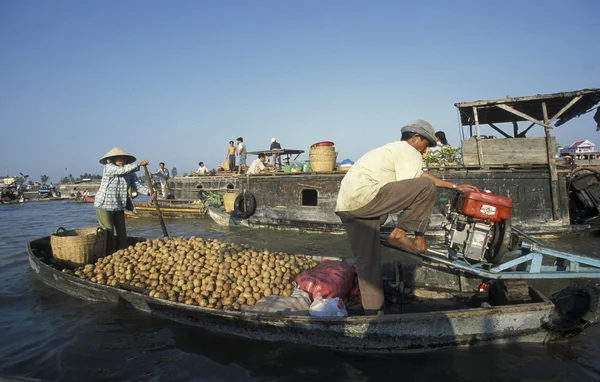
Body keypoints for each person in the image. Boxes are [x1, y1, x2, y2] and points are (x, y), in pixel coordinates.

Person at [335, 120, 478, 314]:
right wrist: (419, 236)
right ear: (415, 138)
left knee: (367, 263)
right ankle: (401, 234)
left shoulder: (389, 150)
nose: (424, 151)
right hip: (366, 199)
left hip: (348, 207)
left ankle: (374, 313)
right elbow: (419, 182)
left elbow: (420, 175)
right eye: (425, 146)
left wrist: (452, 186)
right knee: (426, 188)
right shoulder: (409, 151)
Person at [94, 147, 156, 255]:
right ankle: (110, 254)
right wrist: (138, 165)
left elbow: (137, 186)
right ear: (113, 159)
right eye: (118, 158)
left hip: (119, 204)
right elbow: (121, 171)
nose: (121, 160)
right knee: (108, 231)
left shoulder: (130, 173)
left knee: (122, 231)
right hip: (104, 205)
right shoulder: (109, 167)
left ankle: (122, 252)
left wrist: (149, 192)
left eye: (123, 158)